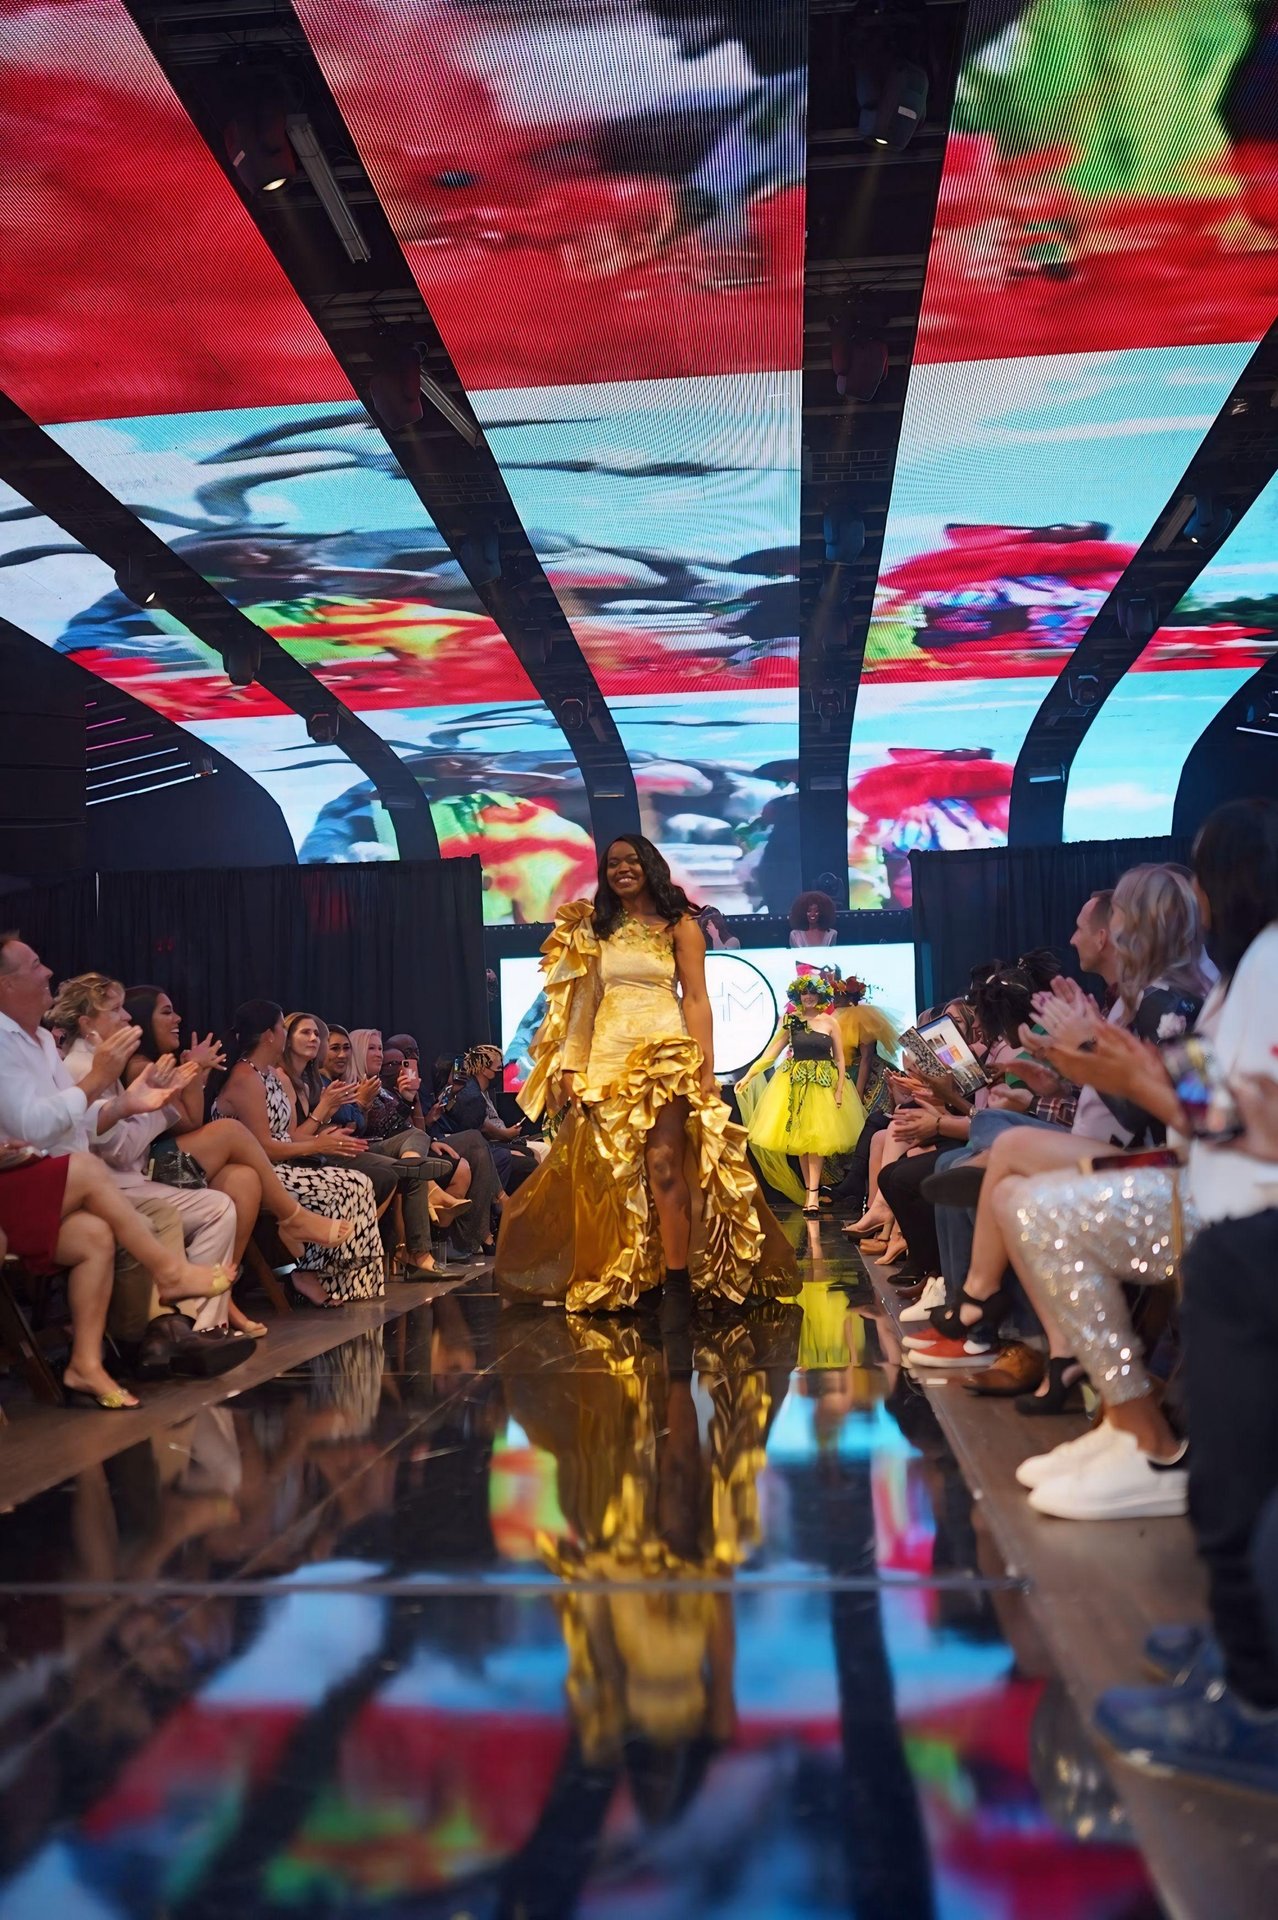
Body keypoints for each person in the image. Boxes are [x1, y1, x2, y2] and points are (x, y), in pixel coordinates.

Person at [1018, 799, 1278, 1791]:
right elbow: (1210, 1093)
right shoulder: (1253, 972)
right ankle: (1241, 1659)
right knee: (1239, 1486)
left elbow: (1244, 1115)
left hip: (1252, 1239)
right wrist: (1128, 1066)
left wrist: (1126, 1066)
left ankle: (1252, 1708)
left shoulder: (1266, 967)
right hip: (1228, 1236)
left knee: (1234, 1487)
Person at [906, 864, 1207, 1375]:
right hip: (1156, 1160)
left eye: (1124, 916)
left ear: (1136, 929)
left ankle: (984, 1302)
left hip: (1166, 1172)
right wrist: (1072, 1070)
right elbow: (1168, 1102)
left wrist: (1089, 1054)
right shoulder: (1163, 998)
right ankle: (1060, 1357)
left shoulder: (1167, 1005)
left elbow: (1197, 1112)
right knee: (1007, 1171)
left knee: (1008, 1157)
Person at [495, 834, 796, 1325]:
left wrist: (705, 1068)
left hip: (665, 1055)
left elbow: (697, 999)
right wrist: (572, 1068)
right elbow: (583, 1003)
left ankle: (677, 1281)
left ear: (650, 866)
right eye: (612, 863)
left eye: (631, 860)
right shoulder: (594, 929)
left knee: (662, 1164)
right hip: (606, 1061)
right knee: (619, 1175)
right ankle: (639, 1274)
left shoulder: (680, 927)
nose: (621, 869)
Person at [0, 934, 245, 1381]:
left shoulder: (37, 1039)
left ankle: (97, 1359)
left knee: (101, 1230)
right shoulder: (71, 1059)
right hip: (60, 1183)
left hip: (71, 1182)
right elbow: (67, 1136)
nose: (48, 971)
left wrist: (131, 1103)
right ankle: (167, 1318)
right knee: (198, 1184)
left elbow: (84, 1124)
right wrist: (117, 1090)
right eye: (35, 965)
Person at [122, 985, 358, 1326]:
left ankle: (221, 1294)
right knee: (232, 1132)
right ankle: (293, 1217)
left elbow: (187, 1118)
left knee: (245, 1180)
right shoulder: (139, 1066)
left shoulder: (165, 1064)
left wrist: (195, 1073)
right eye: (166, 1012)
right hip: (151, 1167)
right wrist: (194, 1073)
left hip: (182, 1159)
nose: (177, 1018)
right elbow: (185, 1124)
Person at [211, 1000, 384, 1306]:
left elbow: (290, 1136)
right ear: (269, 1035)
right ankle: (309, 1273)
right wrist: (318, 1145)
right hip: (253, 1170)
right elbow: (261, 1147)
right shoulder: (245, 1078)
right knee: (344, 1187)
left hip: (280, 1164)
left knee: (359, 1182)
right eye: (282, 1028)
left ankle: (345, 1282)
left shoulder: (272, 1077)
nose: (285, 1033)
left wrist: (324, 1137)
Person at [737, 975, 863, 1214]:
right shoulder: (791, 1021)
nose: (808, 997)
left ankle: (813, 1194)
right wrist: (749, 1075)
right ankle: (810, 1192)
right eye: (804, 993)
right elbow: (771, 1054)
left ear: (820, 996)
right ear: (798, 996)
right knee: (803, 1143)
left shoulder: (830, 1022)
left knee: (815, 1140)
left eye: (812, 993)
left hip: (822, 1083)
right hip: (794, 1083)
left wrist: (838, 1091)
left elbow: (839, 1059)